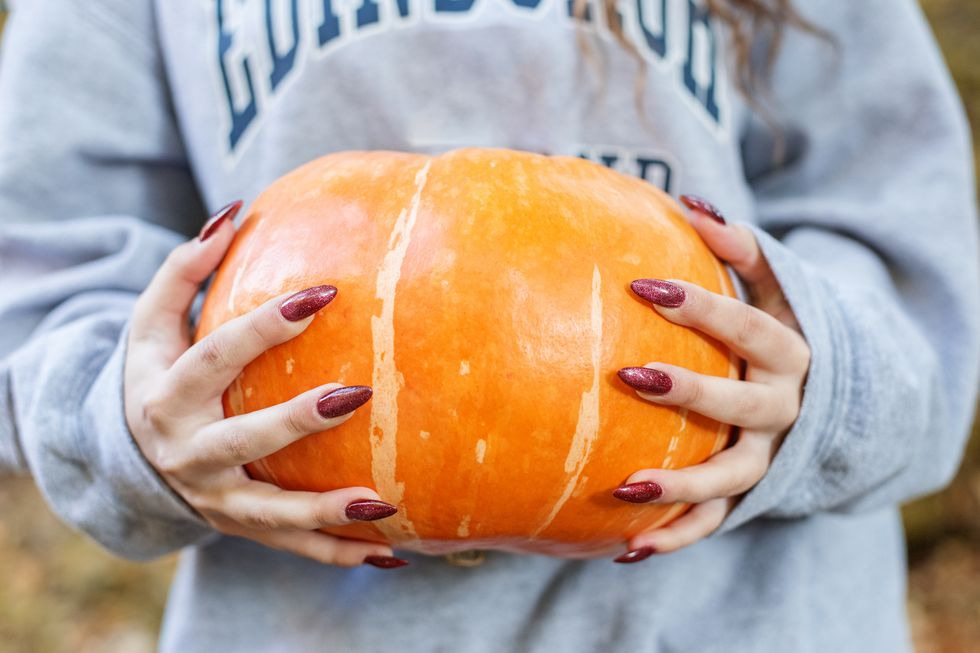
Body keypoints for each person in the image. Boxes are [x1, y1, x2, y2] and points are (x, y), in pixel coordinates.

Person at [0, 0, 977, 650]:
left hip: (748, 620)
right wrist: (130, 420)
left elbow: (908, 264)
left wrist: (825, 382)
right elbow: (43, 274)